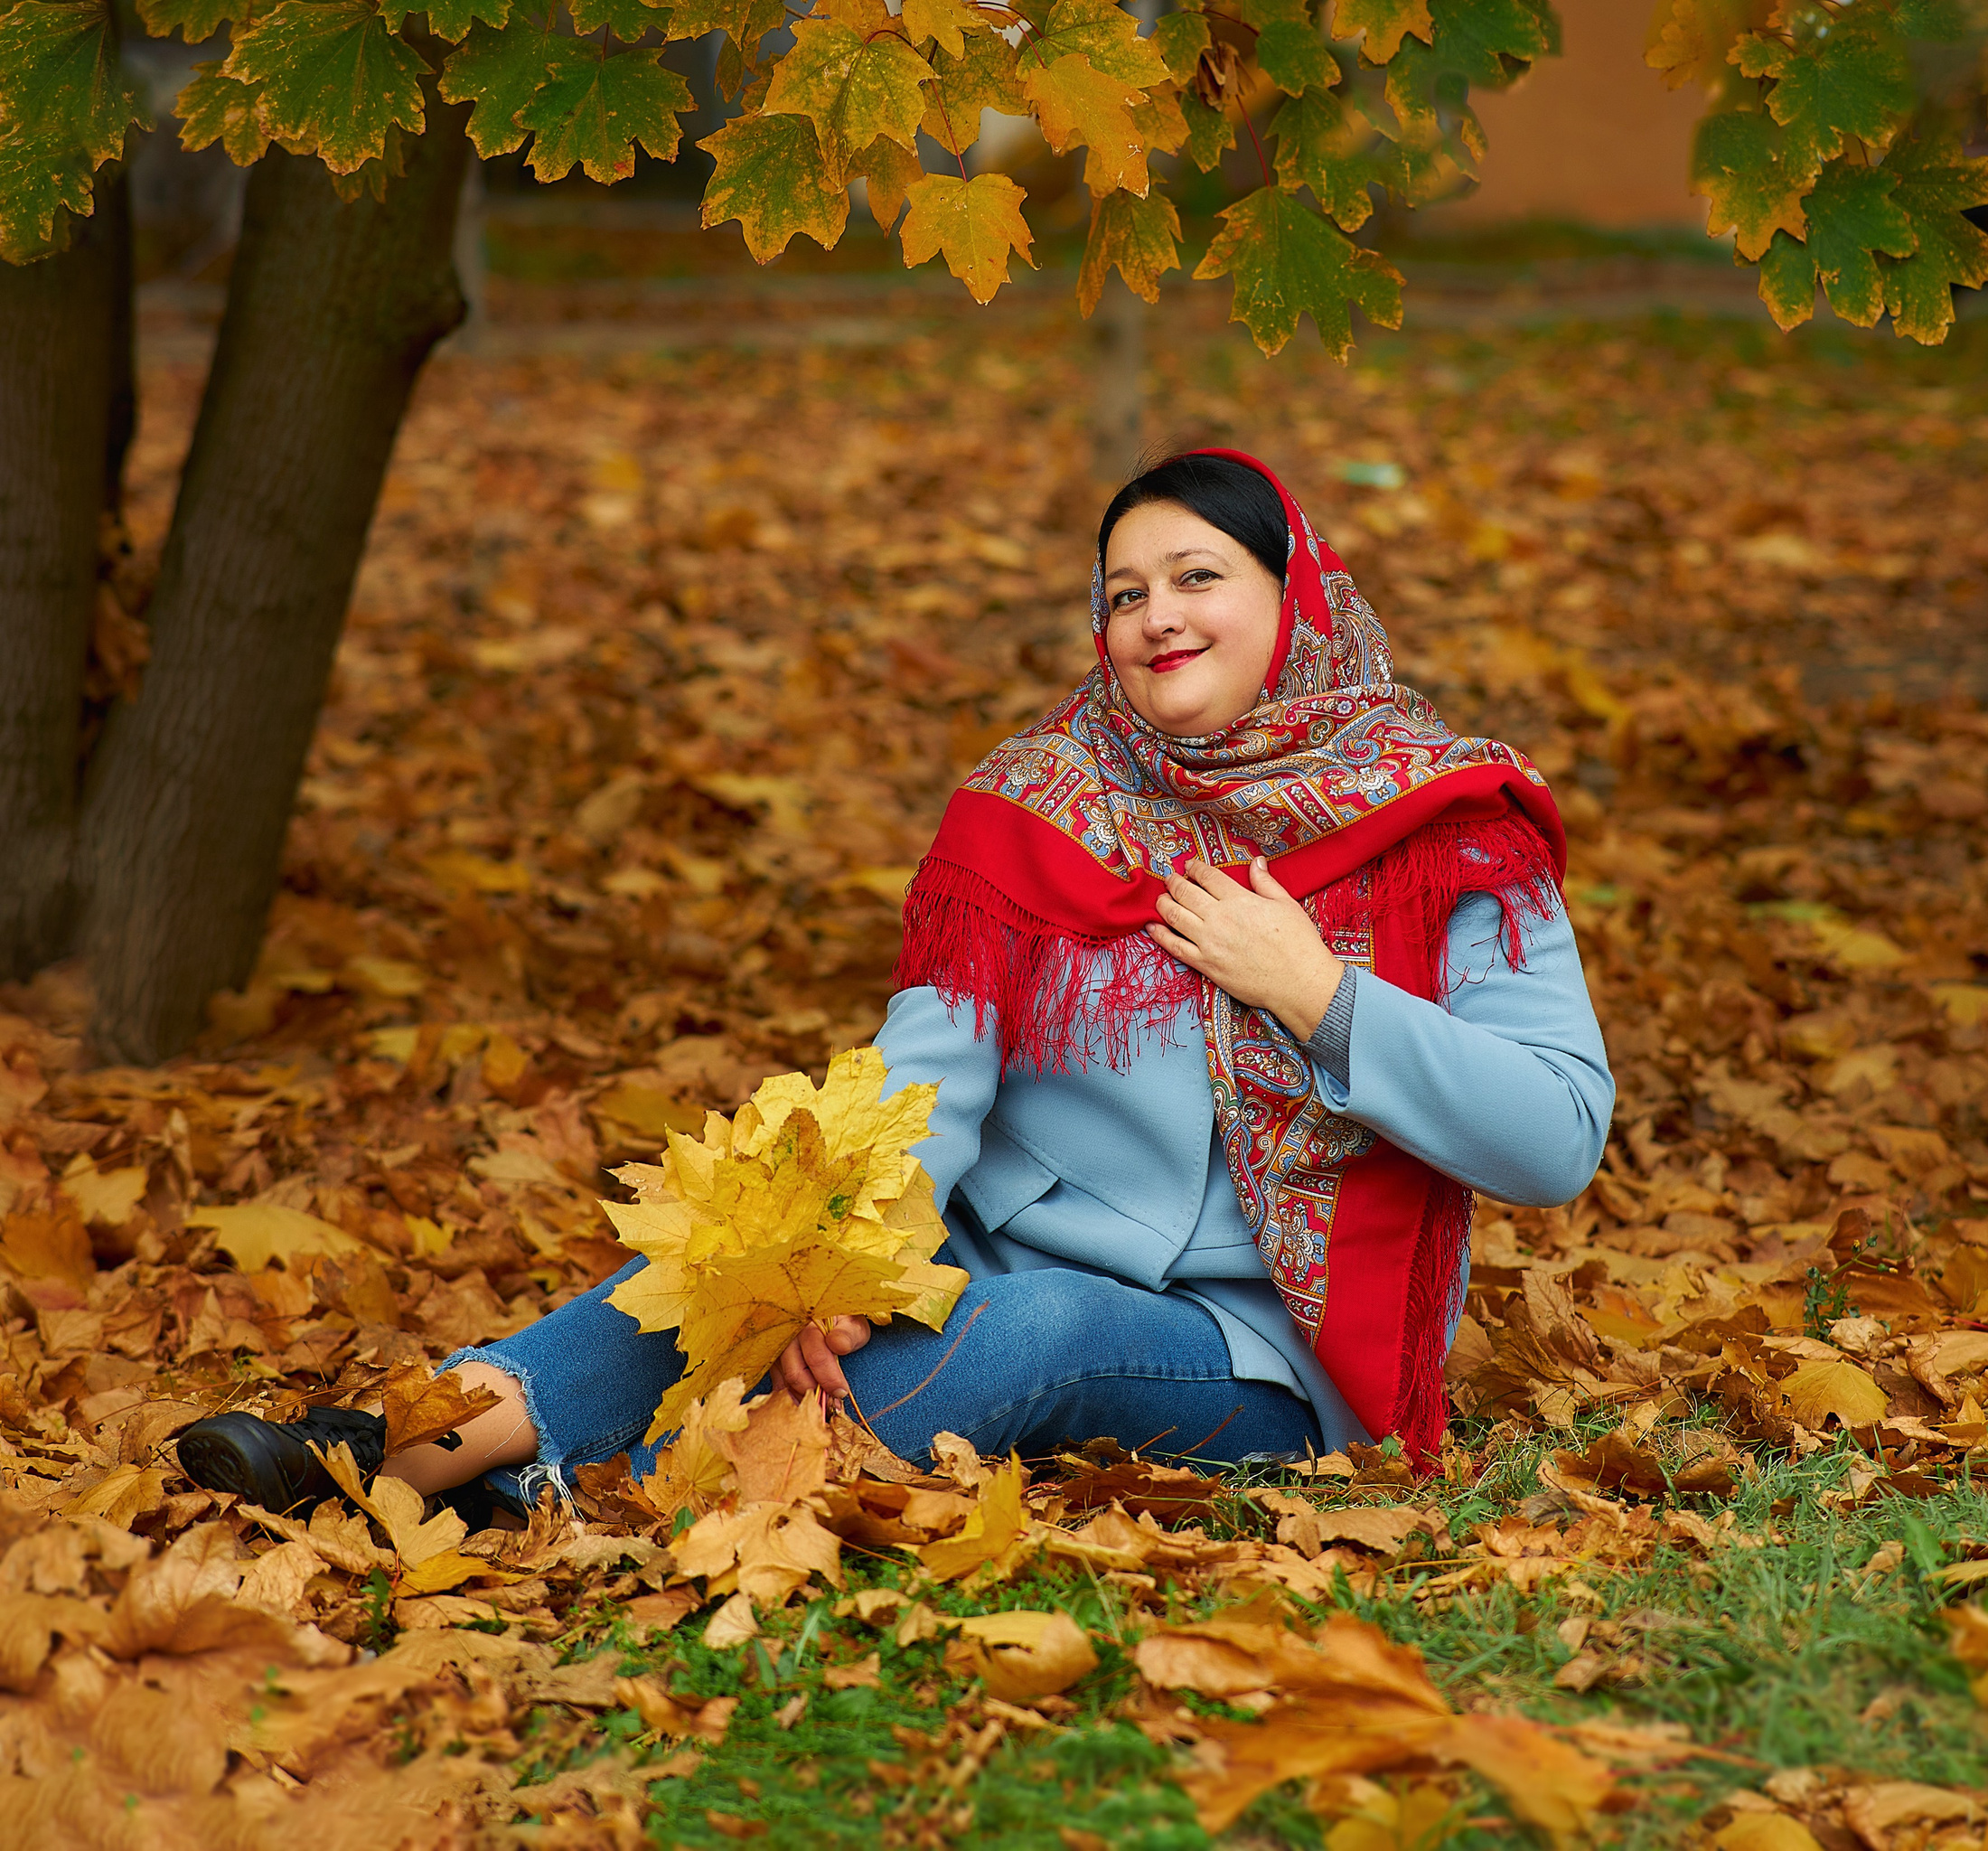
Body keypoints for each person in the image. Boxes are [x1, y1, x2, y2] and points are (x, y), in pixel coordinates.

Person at [176, 450, 1614, 1517]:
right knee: (722, 1268)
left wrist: (1317, 995)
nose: (1157, 616)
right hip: (976, 1251)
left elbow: (1554, 1138)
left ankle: (624, 1497)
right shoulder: (1034, 811)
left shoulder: (1449, 833)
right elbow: (927, 1077)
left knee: (1036, 1330)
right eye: (1124, 593)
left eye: (1199, 578)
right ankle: (378, 1447)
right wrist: (845, 1268)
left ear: (1293, 600)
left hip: (1257, 1348)